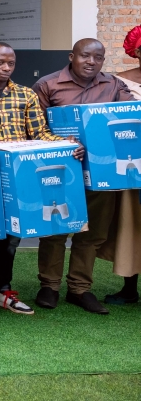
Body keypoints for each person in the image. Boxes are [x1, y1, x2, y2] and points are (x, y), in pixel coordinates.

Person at [0, 42, 69, 319]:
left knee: (12, 238)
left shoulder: (25, 94)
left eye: (11, 63)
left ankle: (2, 290)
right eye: (0, 62)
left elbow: (39, 134)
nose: (6, 68)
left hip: (18, 176)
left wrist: (67, 144)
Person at [32, 38, 135, 314]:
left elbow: (131, 116)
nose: (91, 62)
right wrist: (62, 143)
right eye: (85, 56)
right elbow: (33, 128)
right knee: (55, 230)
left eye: (98, 57)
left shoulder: (113, 85)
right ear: (71, 56)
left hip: (103, 173)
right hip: (60, 171)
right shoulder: (47, 85)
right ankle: (49, 286)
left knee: (93, 233)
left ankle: (80, 289)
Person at [102, 25, 141, 304]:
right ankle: (130, 288)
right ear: (136, 51)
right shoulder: (119, 82)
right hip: (131, 165)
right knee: (131, 224)